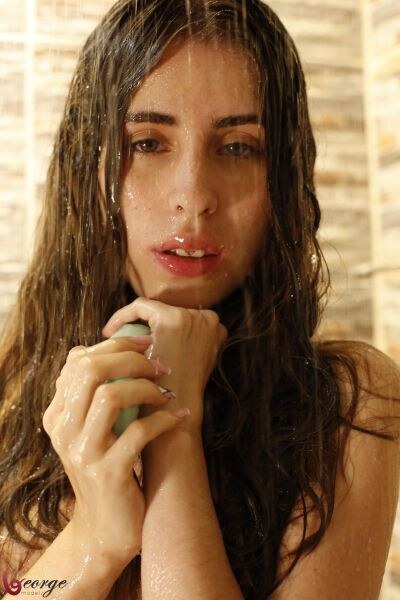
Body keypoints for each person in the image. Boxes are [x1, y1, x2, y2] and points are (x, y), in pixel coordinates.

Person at [0, 1, 399, 599]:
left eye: (238, 147)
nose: (193, 195)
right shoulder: (11, 390)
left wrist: (174, 425)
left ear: (284, 178)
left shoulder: (348, 404)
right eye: (147, 142)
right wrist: (92, 540)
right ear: (90, 168)